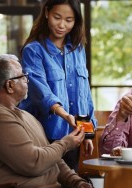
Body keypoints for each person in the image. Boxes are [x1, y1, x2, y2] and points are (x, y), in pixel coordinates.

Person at [0, 54, 94, 188]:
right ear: (10, 85)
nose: (27, 81)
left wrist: (76, 182)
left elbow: (51, 160)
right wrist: (66, 144)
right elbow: (34, 163)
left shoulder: (24, 115)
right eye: (23, 77)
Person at [19, 0, 96, 170]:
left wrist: (88, 133)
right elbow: (41, 93)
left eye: (69, 20)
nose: (62, 25)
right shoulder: (33, 50)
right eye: (57, 17)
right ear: (47, 13)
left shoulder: (77, 49)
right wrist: (65, 115)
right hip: (44, 137)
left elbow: (84, 96)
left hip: (73, 136)